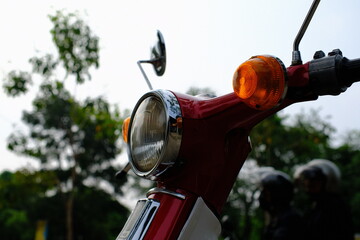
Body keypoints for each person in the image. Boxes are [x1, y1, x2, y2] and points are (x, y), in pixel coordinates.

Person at [294, 159, 354, 240]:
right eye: (306, 180)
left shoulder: (334, 207)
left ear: (326, 181)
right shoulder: (316, 206)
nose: (307, 183)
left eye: (314, 181)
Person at [258, 170, 305, 240]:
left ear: (277, 193)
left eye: (266, 193)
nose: (263, 197)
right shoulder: (276, 218)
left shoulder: (291, 218)